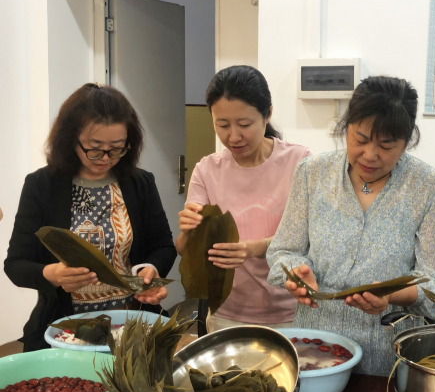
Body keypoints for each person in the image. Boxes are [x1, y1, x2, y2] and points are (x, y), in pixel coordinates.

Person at [267, 76, 435, 376]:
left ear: (407, 141)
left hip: (387, 354)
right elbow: (282, 250)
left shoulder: (432, 187)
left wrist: (389, 295)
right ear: (346, 127)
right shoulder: (312, 173)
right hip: (314, 348)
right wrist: (295, 272)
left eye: (386, 145)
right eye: (361, 139)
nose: (370, 155)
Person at [4, 83, 177, 352]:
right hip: (65, 329)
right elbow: (16, 265)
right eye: (94, 148)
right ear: (70, 139)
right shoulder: (42, 185)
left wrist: (150, 271)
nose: (105, 158)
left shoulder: (140, 183)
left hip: (131, 325)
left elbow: (163, 246)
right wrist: (54, 274)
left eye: (117, 148)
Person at [176, 65, 311, 332]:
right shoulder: (207, 170)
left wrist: (253, 248)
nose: (233, 136)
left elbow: (309, 239)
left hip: (292, 313)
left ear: (267, 114)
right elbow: (183, 250)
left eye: (245, 124)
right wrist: (189, 231)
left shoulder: (300, 162)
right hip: (227, 314)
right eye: (222, 125)